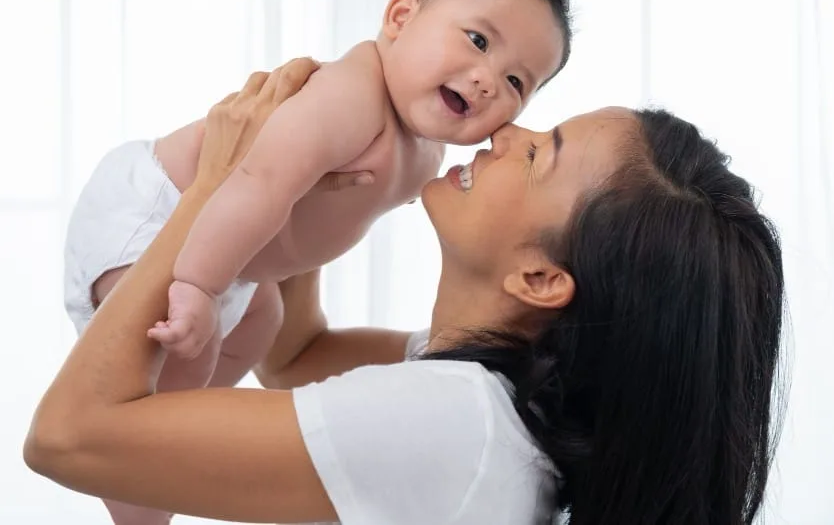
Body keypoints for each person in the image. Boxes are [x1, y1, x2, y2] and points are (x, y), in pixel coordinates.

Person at [28, 58, 785, 525]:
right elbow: (297, 355)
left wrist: (212, 186)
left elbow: (66, 439)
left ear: (542, 279)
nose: (506, 133)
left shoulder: (457, 426)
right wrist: (293, 173)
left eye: (538, 156)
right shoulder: (497, 404)